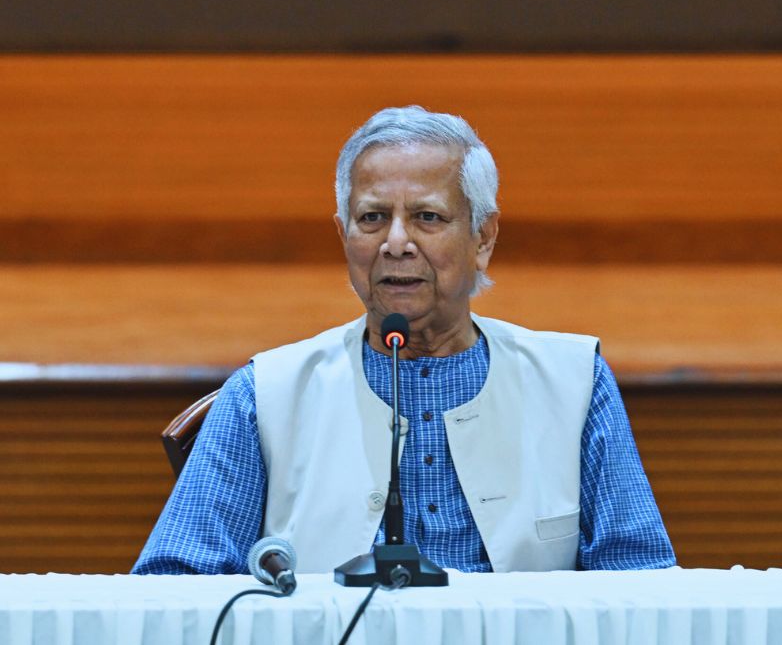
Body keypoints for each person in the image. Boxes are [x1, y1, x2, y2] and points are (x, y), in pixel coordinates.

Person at [133, 106, 675, 575]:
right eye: (372, 218)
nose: (396, 243)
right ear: (344, 235)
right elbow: (172, 584)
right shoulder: (264, 393)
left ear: (483, 238)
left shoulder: (574, 381)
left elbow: (641, 580)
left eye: (427, 217)